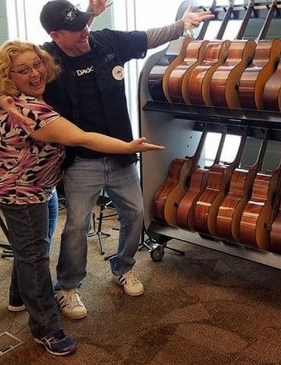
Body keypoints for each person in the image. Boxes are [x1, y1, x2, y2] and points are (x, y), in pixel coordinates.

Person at [1, 0, 213, 321]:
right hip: (79, 161)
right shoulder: (45, 60)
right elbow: (11, 70)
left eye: (86, 24)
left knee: (135, 213)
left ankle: (123, 267)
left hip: (121, 155)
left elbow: (147, 37)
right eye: (76, 29)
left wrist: (182, 25)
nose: (85, 31)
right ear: (56, 37)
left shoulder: (107, 42)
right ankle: (68, 287)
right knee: (76, 227)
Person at [0, 39, 164, 356]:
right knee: (35, 258)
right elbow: (82, 137)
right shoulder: (31, 111)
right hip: (24, 195)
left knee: (31, 249)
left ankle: (18, 298)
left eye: (37, 63)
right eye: (23, 70)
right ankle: (46, 329)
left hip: (39, 189)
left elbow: (72, 35)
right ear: (9, 76)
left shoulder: (15, 99)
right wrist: (129, 147)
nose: (35, 73)